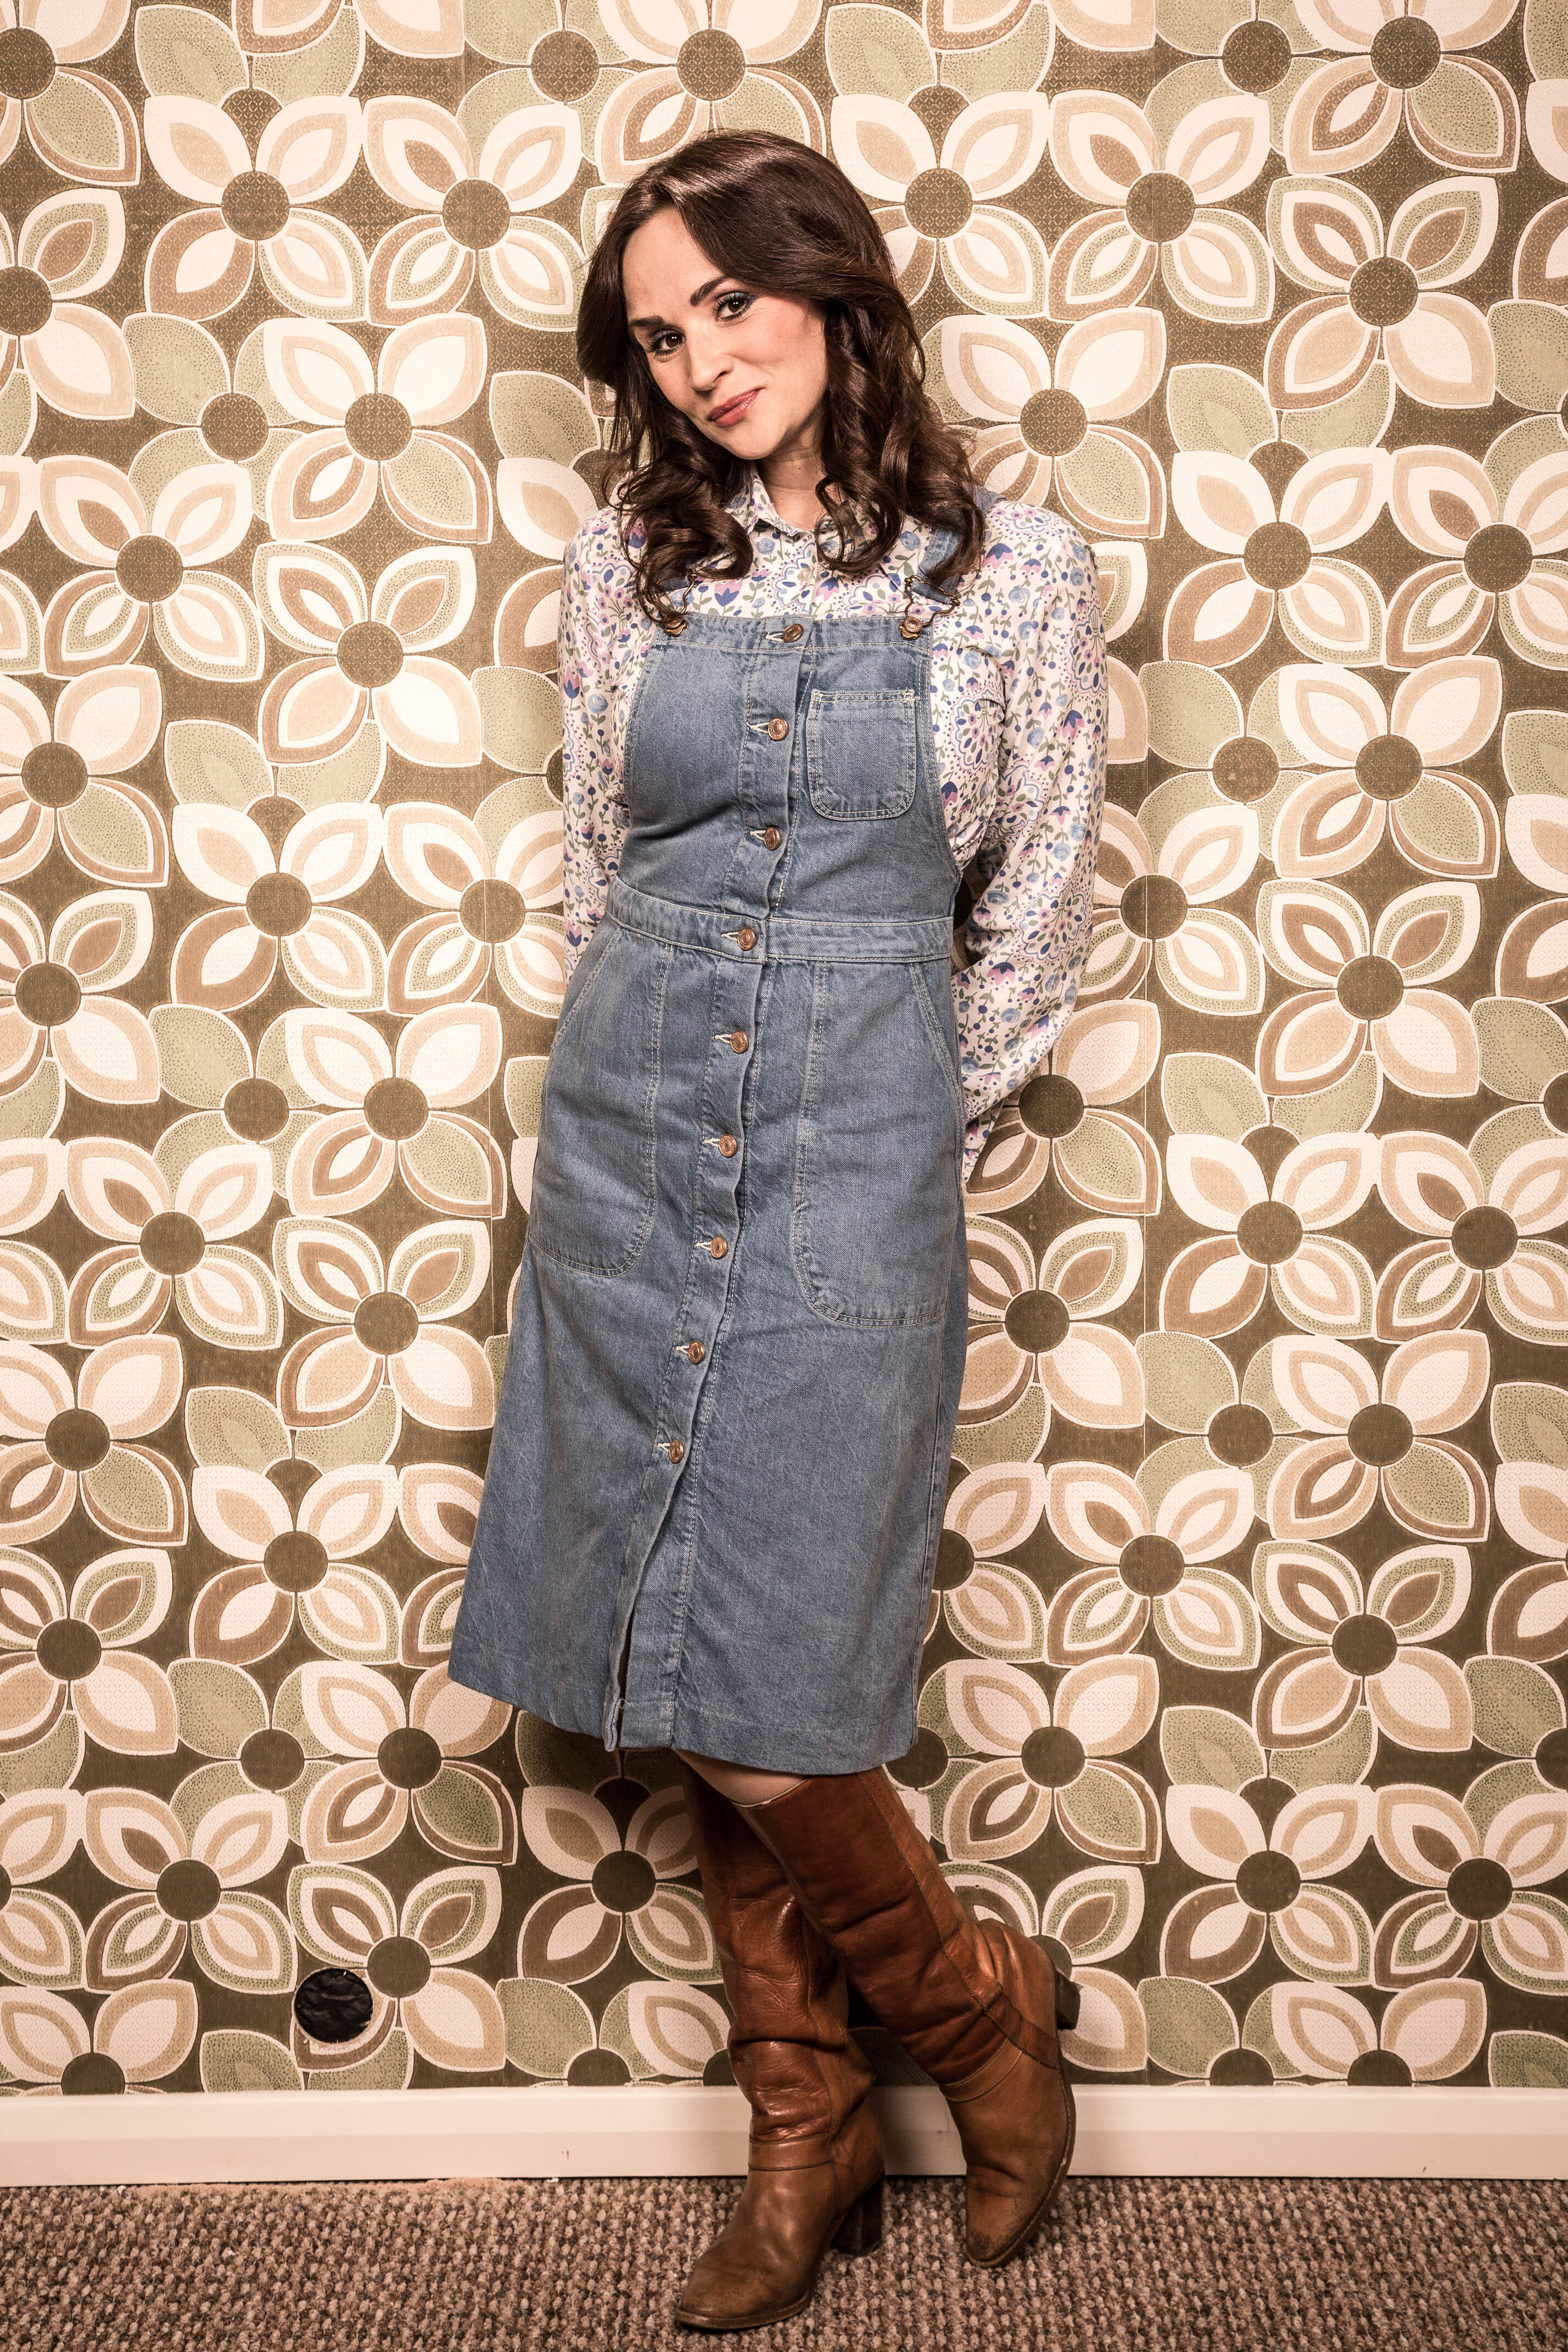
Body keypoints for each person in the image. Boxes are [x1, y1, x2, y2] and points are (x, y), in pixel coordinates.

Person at [447, 128, 1107, 2333]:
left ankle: (968, 2022)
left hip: (855, 1143)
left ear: (830, 287)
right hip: (630, 1131)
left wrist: (890, 1105)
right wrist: (655, 1077)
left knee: (780, 1647)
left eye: (730, 301)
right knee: (676, 1625)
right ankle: (810, 2118)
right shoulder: (624, 565)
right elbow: (592, 862)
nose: (701, 359)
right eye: (658, 334)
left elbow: (1031, 913)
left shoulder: (1013, 571)